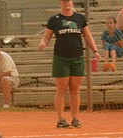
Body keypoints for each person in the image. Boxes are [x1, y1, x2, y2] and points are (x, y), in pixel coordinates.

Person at [39, 0, 102, 129]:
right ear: (60, 3)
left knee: (75, 89)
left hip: (77, 57)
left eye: (68, 1)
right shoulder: (54, 20)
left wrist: (95, 50)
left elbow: (87, 36)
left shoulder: (79, 18)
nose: (66, 3)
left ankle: (75, 118)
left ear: (72, 2)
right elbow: (46, 37)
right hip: (61, 58)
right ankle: (60, 119)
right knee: (61, 89)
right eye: (63, 1)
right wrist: (43, 43)